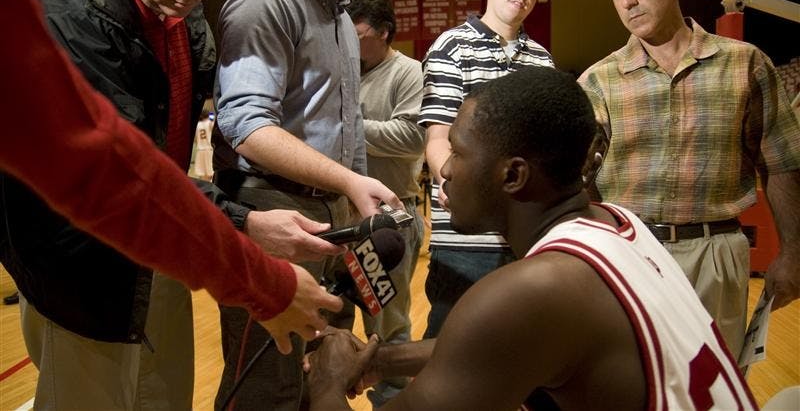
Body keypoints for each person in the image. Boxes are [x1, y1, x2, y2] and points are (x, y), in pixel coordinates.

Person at [0, 0, 343, 408]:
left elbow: (158, 170)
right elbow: (119, 175)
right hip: (81, 262)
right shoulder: (71, 14)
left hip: (159, 235)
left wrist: (235, 222)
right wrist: (248, 240)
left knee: (166, 398)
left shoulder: (178, 9)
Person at [306, 66, 758, 410]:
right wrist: (381, 360)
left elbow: (502, 330)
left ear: (513, 175)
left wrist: (327, 381)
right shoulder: (617, 222)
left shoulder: (535, 291)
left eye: (459, 153)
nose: (443, 169)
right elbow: (492, 347)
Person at [211, 0, 401, 408]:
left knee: (307, 373)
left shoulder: (341, 14)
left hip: (324, 206)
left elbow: (350, 123)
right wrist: (349, 181)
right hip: (269, 204)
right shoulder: (267, 3)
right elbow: (247, 128)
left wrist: (357, 199)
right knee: (264, 376)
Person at [577, 0, 800, 359]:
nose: (627, 1)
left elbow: (782, 160)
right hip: (630, 252)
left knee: (713, 391)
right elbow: (577, 178)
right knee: (632, 387)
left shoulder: (744, 62)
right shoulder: (597, 81)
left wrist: (793, 251)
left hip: (714, 251)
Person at [419, 0, 554, 338]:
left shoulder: (542, 61)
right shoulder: (451, 47)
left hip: (524, 237)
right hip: (465, 242)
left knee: (518, 363)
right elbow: (437, 139)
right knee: (448, 359)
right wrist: (450, 183)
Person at [344, 0, 425, 407]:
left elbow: (413, 137)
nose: (348, 44)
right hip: (339, 221)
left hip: (387, 224)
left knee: (387, 328)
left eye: (355, 36)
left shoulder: (408, 72)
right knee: (329, 318)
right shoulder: (339, 70)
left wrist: (346, 125)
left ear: (385, 31)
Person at [194, 108, 215, 181]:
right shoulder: (209, 122)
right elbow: (212, 119)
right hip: (208, 150)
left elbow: (196, 140)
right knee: (210, 174)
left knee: (202, 175)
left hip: (200, 150)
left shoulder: (198, 125)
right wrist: (211, 112)